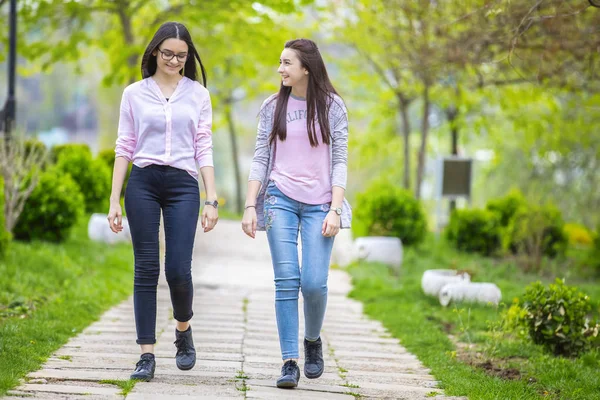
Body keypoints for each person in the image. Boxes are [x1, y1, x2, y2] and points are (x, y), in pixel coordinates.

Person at [107, 21, 219, 382]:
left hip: (183, 184)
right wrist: (114, 200)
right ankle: (146, 355)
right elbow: (124, 146)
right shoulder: (134, 94)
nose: (174, 60)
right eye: (168, 53)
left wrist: (211, 199)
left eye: (182, 56)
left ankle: (183, 329)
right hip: (142, 181)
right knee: (146, 268)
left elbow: (204, 145)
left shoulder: (198, 95)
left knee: (178, 270)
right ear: (155, 51)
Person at [241, 38, 351, 389]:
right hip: (279, 200)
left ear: (306, 67)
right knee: (287, 280)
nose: (280, 69)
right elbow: (260, 157)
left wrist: (335, 209)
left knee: (314, 284)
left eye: (287, 63)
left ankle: (312, 341)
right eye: (280, 62)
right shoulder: (272, 106)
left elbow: (339, 161)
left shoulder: (333, 107)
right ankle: (289, 361)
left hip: (320, 204)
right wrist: (249, 205)